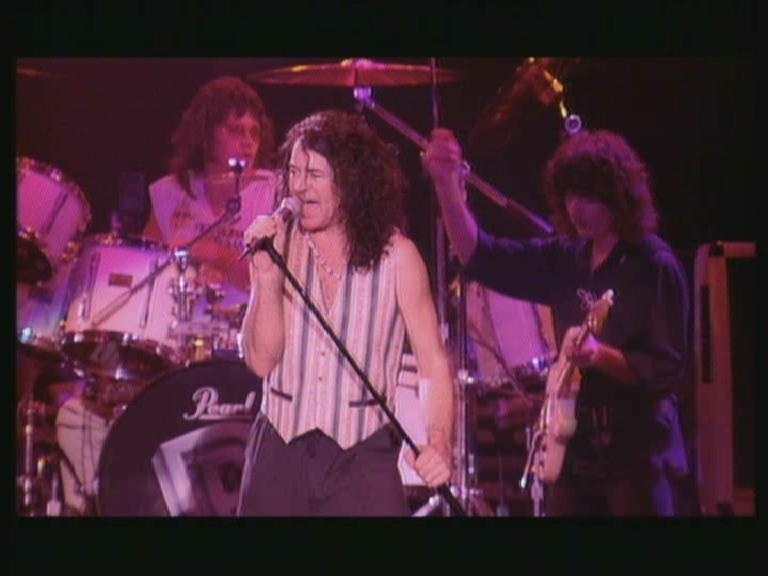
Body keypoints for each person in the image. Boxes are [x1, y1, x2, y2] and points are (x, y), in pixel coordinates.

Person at [423, 127, 690, 516]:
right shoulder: (568, 258)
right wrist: (447, 186)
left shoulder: (653, 265)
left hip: (636, 455)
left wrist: (600, 356)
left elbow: (666, 369)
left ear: (617, 196)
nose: (576, 208)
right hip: (575, 451)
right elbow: (480, 256)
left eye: (588, 196)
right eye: (569, 196)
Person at [54, 76, 279, 515]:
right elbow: (146, 274)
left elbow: (275, 279)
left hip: (246, 351)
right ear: (207, 132)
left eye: (254, 132)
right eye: (235, 129)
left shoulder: (271, 192)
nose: (248, 141)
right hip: (178, 349)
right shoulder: (171, 193)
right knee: (74, 418)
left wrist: (210, 252)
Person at [237, 110, 454, 516]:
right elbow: (261, 362)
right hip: (279, 448)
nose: (299, 187)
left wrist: (439, 441)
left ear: (351, 182)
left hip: (362, 455)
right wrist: (265, 278)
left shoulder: (398, 257)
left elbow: (432, 363)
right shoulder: (278, 245)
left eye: (314, 174)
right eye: (294, 172)